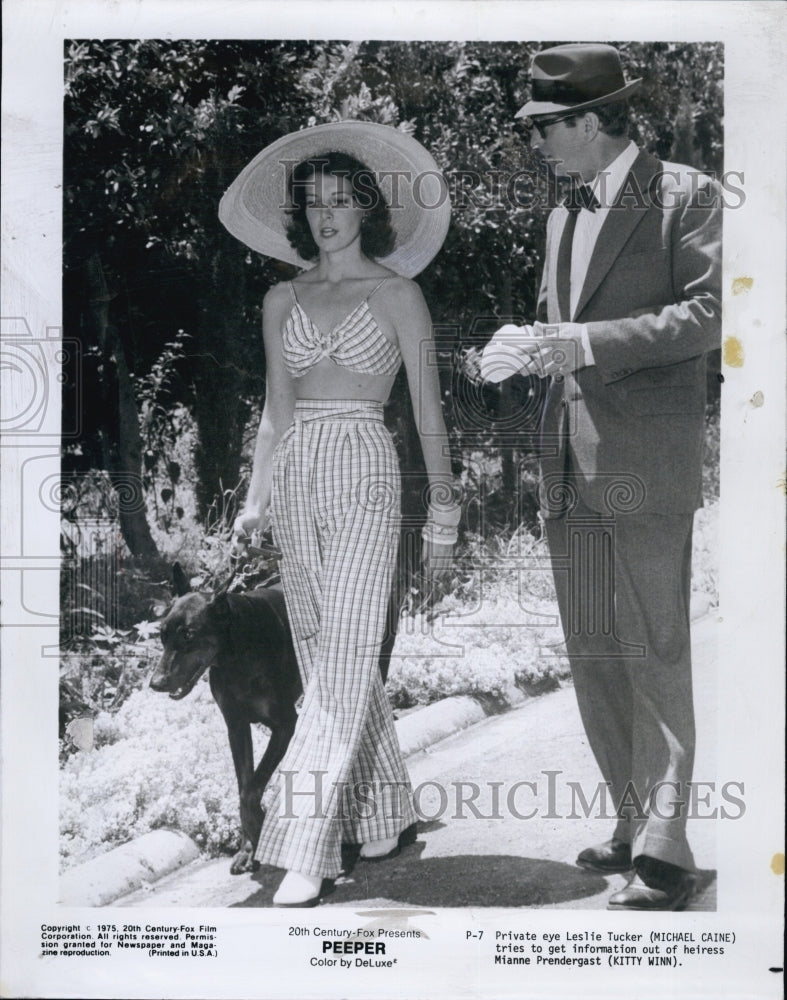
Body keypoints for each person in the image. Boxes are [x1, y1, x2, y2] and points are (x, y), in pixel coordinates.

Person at [480, 44, 722, 910]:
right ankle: (630, 821)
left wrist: (582, 343)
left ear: (589, 121)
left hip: (644, 462)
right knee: (593, 648)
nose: (537, 145)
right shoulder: (560, 215)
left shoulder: (685, 194)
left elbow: (709, 313)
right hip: (565, 460)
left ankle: (666, 849)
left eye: (545, 128)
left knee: (654, 646)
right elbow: (561, 331)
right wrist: (520, 350)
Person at [219, 122, 458, 907]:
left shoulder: (396, 294)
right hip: (295, 479)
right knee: (327, 655)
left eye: (339, 201)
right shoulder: (280, 296)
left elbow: (426, 412)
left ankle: (302, 848)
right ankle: (385, 813)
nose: (325, 216)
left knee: (348, 654)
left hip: (364, 470)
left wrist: (445, 513)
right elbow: (273, 414)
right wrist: (253, 501)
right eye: (312, 203)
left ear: (365, 210)